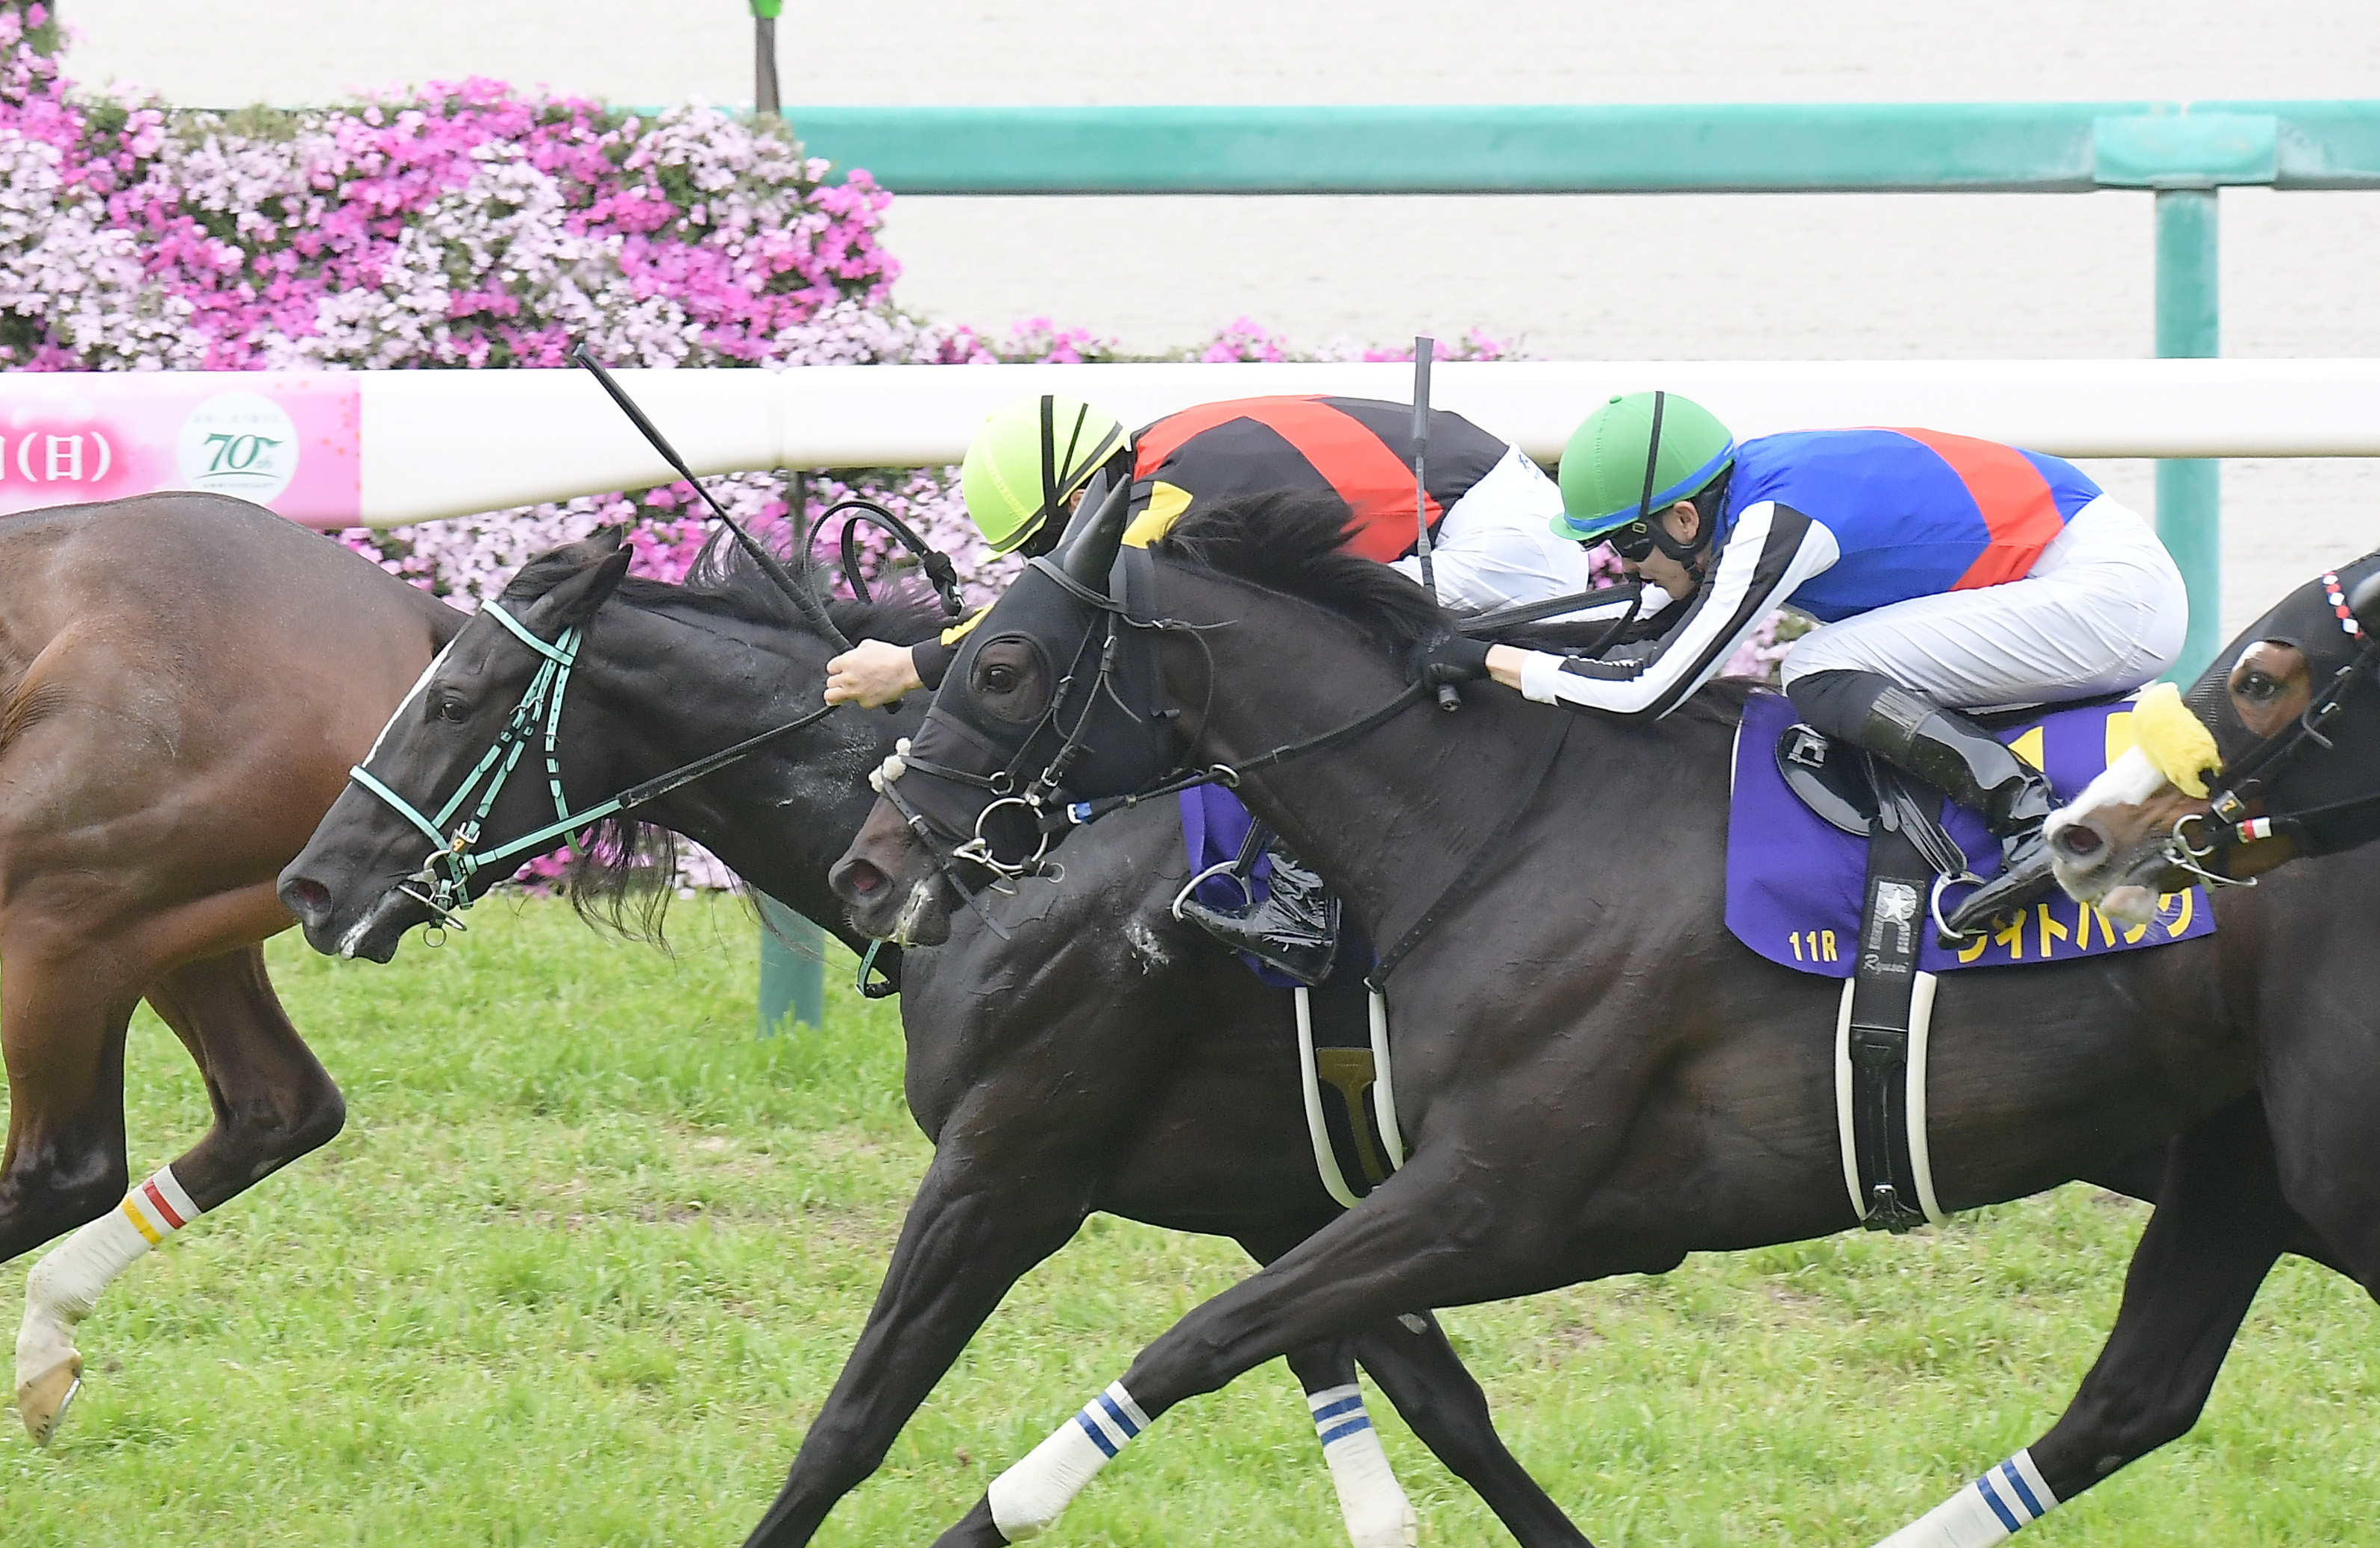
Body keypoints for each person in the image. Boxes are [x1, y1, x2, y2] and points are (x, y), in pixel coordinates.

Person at [827, 392, 1589, 979]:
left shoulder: (1170, 487)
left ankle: (1300, 895)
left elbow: (1054, 613)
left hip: (1500, 546)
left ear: (1074, 499)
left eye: (1045, 544)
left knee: (1266, 651)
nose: (1050, 563)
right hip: (1482, 515)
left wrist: (911, 663)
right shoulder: (1164, 458)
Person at [1433, 391, 2186, 931]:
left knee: (1815, 666)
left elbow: (1649, 691)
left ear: (1685, 517)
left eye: (1629, 544)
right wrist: (1470, 632)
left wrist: (1493, 660)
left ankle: (2023, 818)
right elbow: (1638, 623)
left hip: (2107, 595)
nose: (1622, 567)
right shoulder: (1741, 503)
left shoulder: (1774, 521)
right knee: (1823, 661)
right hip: (2076, 577)